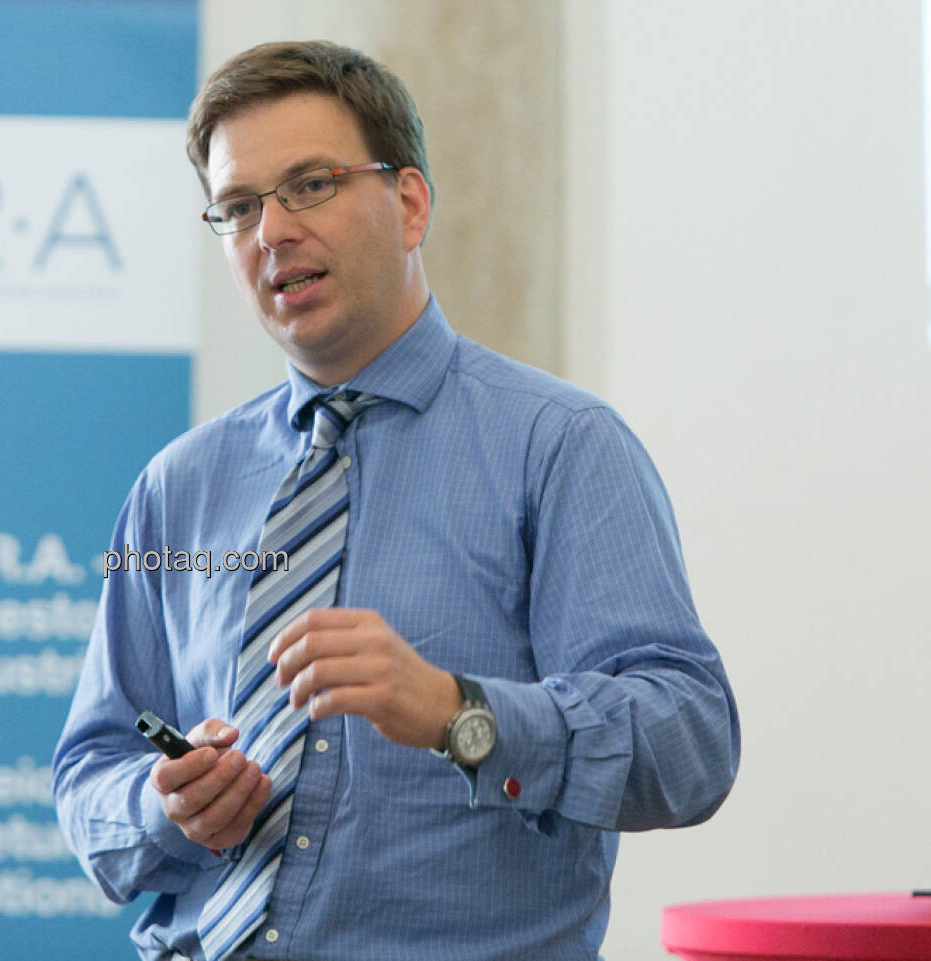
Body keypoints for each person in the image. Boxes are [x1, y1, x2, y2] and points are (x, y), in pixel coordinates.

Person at [53, 40, 738, 961]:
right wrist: (160, 803)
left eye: (310, 185)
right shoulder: (178, 487)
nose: (272, 231)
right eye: (239, 207)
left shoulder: (562, 447)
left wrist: (460, 713)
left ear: (410, 204)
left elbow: (690, 745)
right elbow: (90, 771)